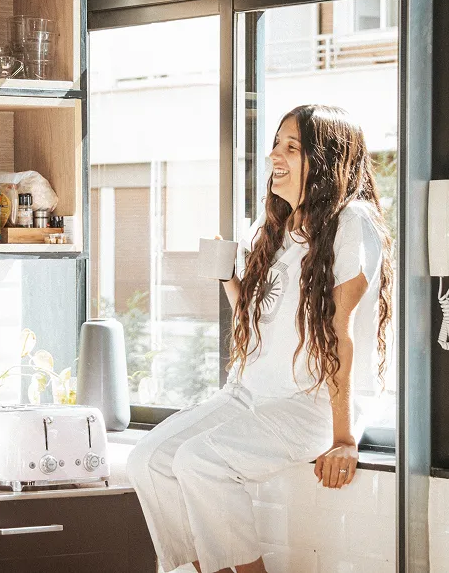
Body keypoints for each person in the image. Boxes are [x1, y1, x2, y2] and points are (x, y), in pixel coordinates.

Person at [126, 104, 394, 573]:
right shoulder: (277, 227)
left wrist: (343, 437)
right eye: (276, 145)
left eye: (292, 147)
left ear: (327, 161)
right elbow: (260, 319)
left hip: (308, 403)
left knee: (200, 461)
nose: (276, 156)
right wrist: (229, 279)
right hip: (250, 393)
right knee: (147, 458)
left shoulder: (353, 223)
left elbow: (340, 333)